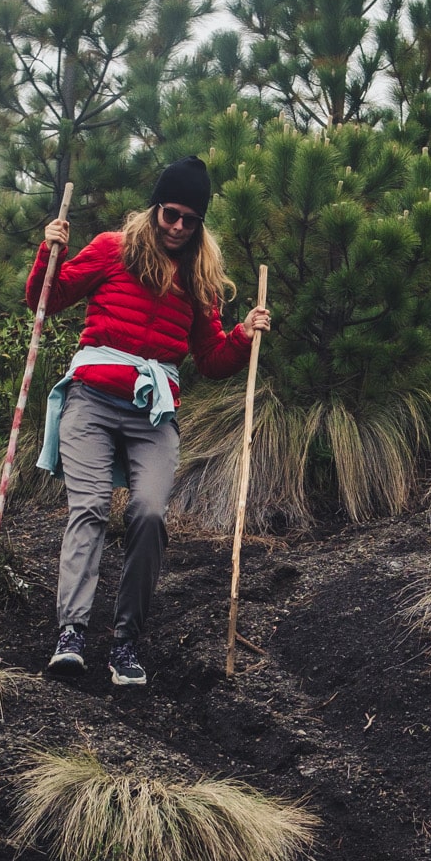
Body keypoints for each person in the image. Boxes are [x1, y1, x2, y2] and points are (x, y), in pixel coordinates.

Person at [26, 155, 270, 686]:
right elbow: (46, 299)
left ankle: (125, 641)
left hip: (153, 412)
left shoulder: (201, 281)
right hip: (90, 399)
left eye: (190, 219)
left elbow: (210, 359)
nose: (178, 227)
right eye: (170, 214)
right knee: (88, 507)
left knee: (150, 514)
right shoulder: (113, 249)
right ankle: (71, 634)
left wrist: (244, 337)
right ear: (155, 208)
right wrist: (50, 252)